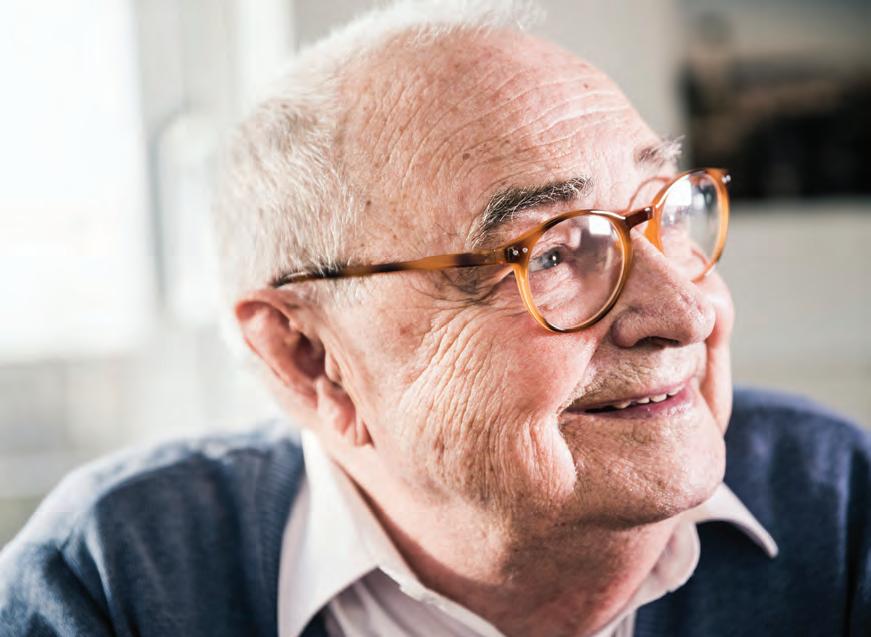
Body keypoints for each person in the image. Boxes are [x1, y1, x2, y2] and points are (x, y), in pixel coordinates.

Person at [1, 2, 869, 636]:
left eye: (664, 213)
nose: (683, 312)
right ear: (308, 356)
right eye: (552, 253)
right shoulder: (109, 581)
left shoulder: (838, 502)